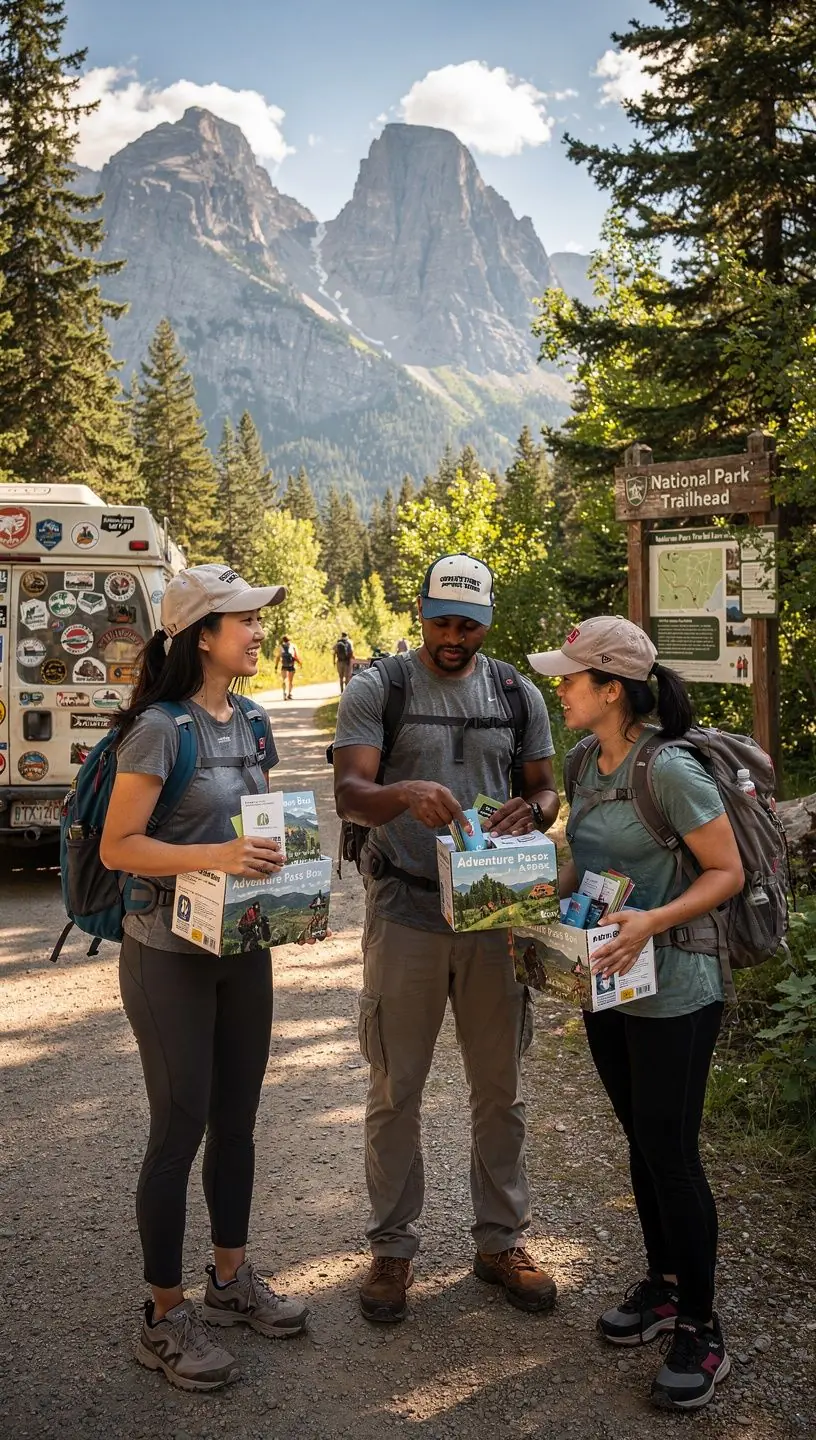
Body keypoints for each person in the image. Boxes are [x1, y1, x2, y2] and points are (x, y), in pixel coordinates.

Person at [333, 553, 561, 1324]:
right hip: (407, 910)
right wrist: (404, 793)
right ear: (419, 611)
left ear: (488, 622)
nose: (454, 637)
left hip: (496, 917)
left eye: (469, 624)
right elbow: (352, 794)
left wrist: (536, 812)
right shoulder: (380, 686)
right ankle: (392, 1251)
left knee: (501, 1088)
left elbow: (545, 786)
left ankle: (501, 1242)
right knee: (396, 1086)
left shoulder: (516, 692)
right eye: (441, 621)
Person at [100, 565, 310, 1393]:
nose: (259, 632)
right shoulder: (159, 729)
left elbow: (252, 832)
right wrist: (214, 855)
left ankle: (229, 1283)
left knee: (239, 1123)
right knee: (179, 1126)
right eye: (243, 621)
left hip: (241, 950)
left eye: (259, 620)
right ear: (201, 636)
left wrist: (282, 866)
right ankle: (163, 1315)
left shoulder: (254, 722)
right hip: (166, 959)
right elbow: (121, 846)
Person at [528, 615, 744, 1413]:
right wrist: (505, 888)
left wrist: (651, 920)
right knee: (640, 1138)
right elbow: (580, 865)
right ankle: (661, 1284)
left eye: (572, 678)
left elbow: (727, 870)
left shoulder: (673, 770)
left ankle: (701, 1327)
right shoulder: (587, 759)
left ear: (611, 689)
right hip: (607, 980)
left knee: (672, 1149)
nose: (561, 687)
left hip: (678, 983)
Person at [275, 635, 301, 699]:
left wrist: (276, 666)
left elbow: (278, 657)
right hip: (291, 665)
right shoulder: (293, 646)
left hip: (284, 666)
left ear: (283, 640)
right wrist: (300, 663)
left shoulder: (281, 647)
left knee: (284, 680)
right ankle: (290, 694)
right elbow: (296, 656)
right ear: (290, 639)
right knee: (290, 681)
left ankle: (284, 693)